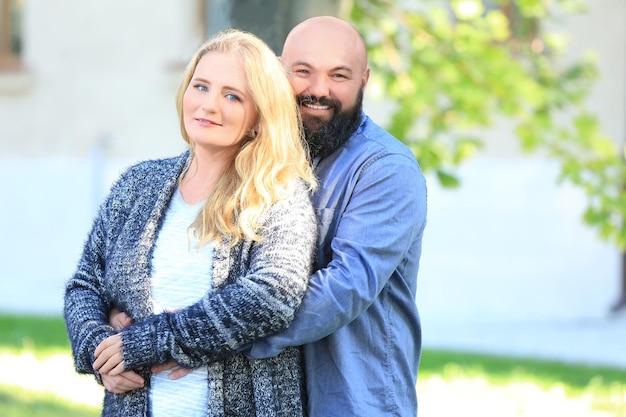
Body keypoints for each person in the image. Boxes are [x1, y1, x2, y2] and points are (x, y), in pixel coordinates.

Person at [63, 28, 317, 417]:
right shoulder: (138, 185)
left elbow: (272, 294)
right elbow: (84, 285)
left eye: (232, 96)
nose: (209, 105)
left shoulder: (278, 195)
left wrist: (151, 341)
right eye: (201, 87)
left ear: (259, 117)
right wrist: (101, 352)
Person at [245, 16, 427, 417]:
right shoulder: (259, 156)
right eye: (303, 71)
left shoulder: (385, 168)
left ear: (364, 79)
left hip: (356, 402)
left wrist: (222, 334)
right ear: (279, 70)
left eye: (338, 75)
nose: (318, 90)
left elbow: (344, 288)